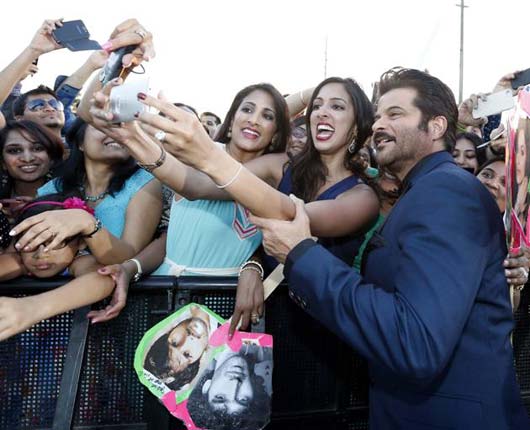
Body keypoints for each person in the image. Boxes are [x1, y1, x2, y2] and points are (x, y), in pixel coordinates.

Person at [245, 68, 529, 429]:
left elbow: (416, 342)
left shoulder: (447, 192)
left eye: (395, 114)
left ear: (437, 127)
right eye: (378, 114)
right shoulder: (423, 191)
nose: (379, 123)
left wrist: (302, 254)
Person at [88, 77, 379, 333]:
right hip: (260, 315)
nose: (322, 113)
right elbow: (195, 185)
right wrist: (133, 137)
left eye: (337, 107)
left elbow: (293, 216)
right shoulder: (281, 166)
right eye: (317, 105)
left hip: (317, 328)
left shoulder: (362, 198)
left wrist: (210, 158)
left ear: (357, 126)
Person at [10, 118, 162, 266]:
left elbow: (130, 255)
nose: (117, 133)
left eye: (122, 128)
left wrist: (87, 223)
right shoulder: (53, 188)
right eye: (104, 127)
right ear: (80, 142)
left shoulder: (144, 181)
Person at [186, 344, 272, 430]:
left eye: (220, 397)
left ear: (206, 387)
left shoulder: (195, 347)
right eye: (243, 400)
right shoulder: (265, 349)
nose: (234, 384)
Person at [0, 120, 64, 222]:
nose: (27, 158)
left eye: (37, 148)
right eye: (14, 150)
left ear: (51, 156)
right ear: (3, 161)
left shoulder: (73, 196)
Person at [144, 304, 213, 391]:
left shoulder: (187, 308)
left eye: (175, 343)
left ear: (169, 331)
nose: (188, 340)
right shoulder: (226, 335)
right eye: (187, 354)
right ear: (201, 358)